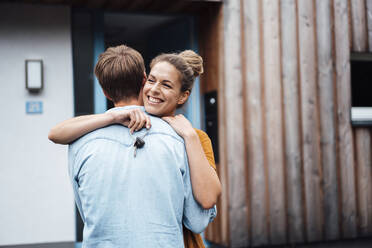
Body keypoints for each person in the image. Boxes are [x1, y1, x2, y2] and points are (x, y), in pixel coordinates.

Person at [50, 45, 217, 248]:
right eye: (153, 81)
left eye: (166, 85)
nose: (155, 89)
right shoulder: (179, 140)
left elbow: (88, 212)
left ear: (103, 91)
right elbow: (198, 220)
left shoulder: (79, 139)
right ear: (144, 80)